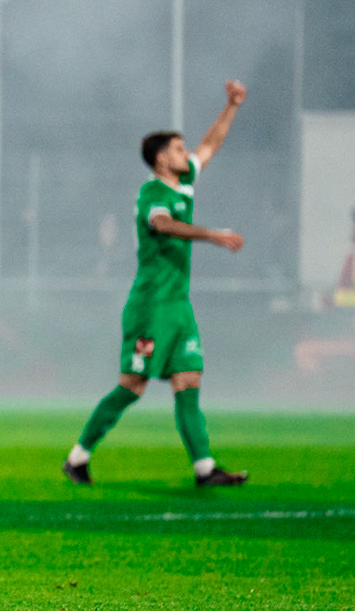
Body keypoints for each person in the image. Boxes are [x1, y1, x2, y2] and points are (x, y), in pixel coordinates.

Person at [62, 80, 250, 487]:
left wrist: (231, 106)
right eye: (179, 150)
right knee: (132, 387)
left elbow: (210, 145)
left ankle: (205, 469)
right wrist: (214, 235)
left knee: (188, 380)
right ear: (162, 159)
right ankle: (77, 457)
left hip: (178, 307)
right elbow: (163, 226)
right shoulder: (152, 194)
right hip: (150, 307)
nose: (188, 154)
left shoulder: (181, 184)